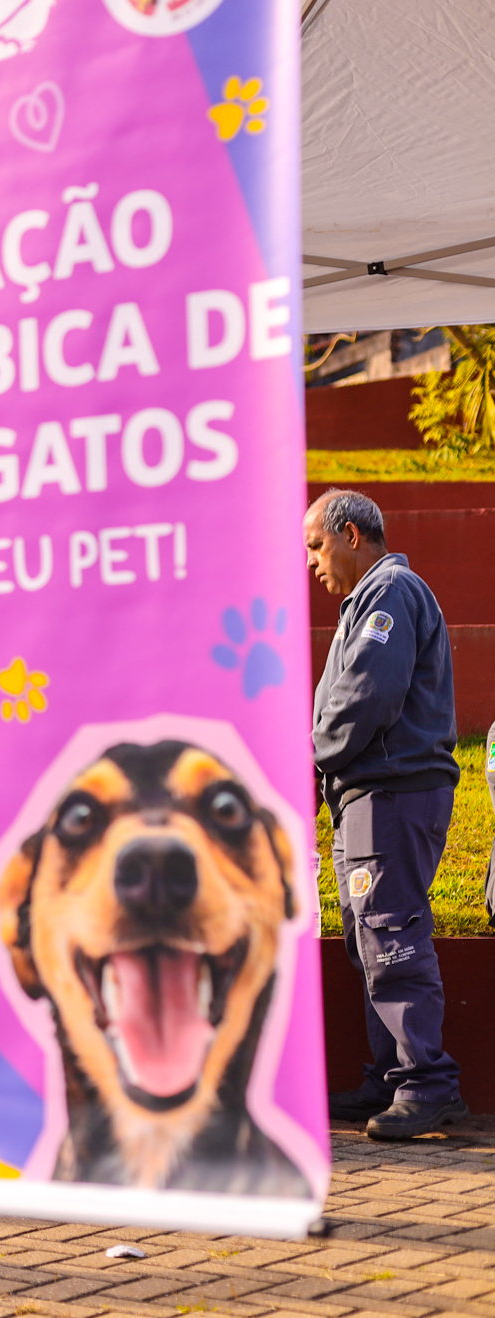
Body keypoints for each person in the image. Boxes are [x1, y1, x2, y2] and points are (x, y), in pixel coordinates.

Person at [306, 488, 463, 1140]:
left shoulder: (389, 593)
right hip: (367, 795)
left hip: (393, 793)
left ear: (350, 534)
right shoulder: (368, 600)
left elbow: (368, 696)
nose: (311, 562)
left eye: (316, 545)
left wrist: (308, 759)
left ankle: (426, 1082)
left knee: (391, 933)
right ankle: (391, 1076)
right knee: (368, 937)